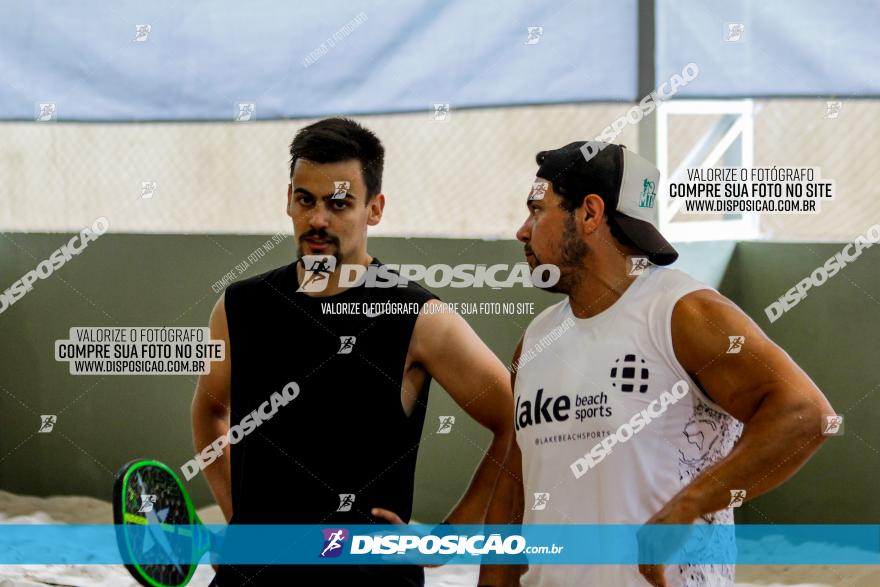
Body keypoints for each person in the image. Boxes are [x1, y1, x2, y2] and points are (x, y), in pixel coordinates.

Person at [479, 142, 834, 586]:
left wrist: (689, 506)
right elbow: (515, 485)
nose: (522, 230)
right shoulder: (535, 340)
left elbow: (807, 416)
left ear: (590, 213)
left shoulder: (682, 313)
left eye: (537, 210)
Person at [191, 117, 514, 585]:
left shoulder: (419, 318)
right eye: (306, 200)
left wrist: (448, 541)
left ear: (374, 208)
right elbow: (208, 414)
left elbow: (514, 422)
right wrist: (238, 517)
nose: (318, 219)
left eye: (339, 204)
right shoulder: (239, 306)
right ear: (288, 200)